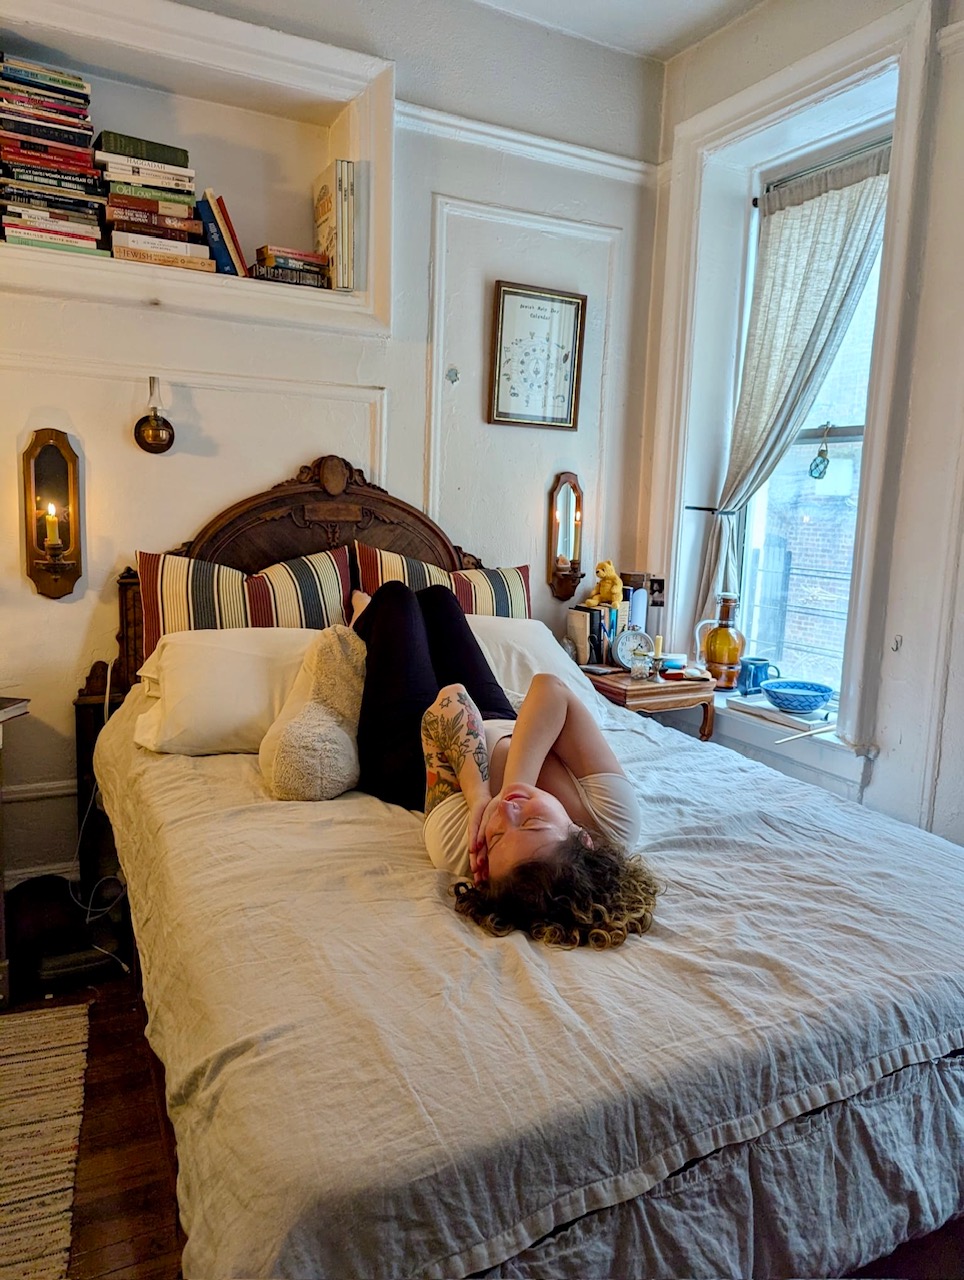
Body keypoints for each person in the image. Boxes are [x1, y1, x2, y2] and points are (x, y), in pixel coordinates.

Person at [352, 581, 659, 949]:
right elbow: (549, 688)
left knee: (396, 598)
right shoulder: (615, 820)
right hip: (498, 718)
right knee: (439, 599)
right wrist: (515, 783)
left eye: (497, 836)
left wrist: (481, 797)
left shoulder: (458, 846)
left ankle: (360, 615)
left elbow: (450, 700)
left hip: (404, 752)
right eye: (532, 821)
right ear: (584, 838)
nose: (508, 811)